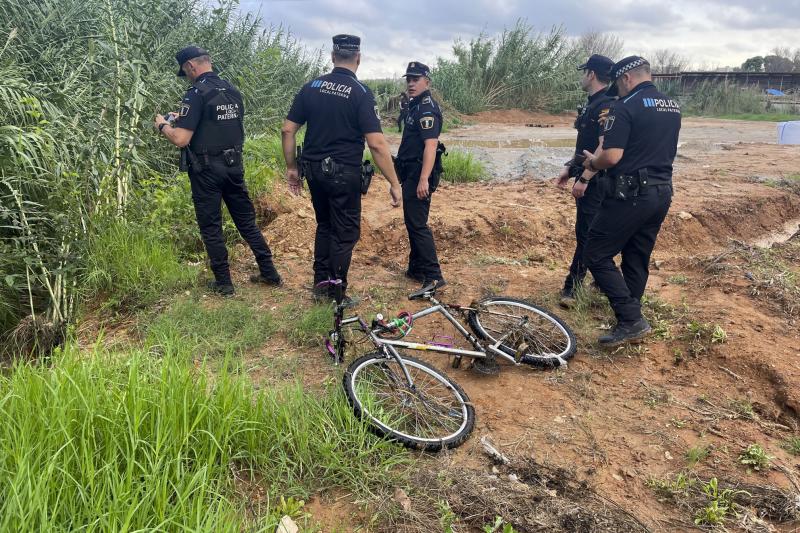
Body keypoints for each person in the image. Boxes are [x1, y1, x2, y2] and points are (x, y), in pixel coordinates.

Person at [281, 34, 402, 302]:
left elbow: (287, 129)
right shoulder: (360, 93)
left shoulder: (310, 87)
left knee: (325, 225)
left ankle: (321, 287)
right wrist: (394, 183)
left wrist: (292, 168)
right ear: (358, 58)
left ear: (333, 56)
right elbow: (377, 144)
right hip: (342, 173)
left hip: (312, 170)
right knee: (345, 233)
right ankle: (335, 293)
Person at [155, 46, 281, 296]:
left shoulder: (195, 94)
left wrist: (162, 126)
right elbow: (219, 124)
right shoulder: (232, 91)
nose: (187, 76)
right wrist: (184, 117)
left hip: (206, 170)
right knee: (247, 222)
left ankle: (224, 284)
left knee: (211, 226)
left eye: (185, 71)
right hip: (234, 166)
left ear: (191, 66)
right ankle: (269, 272)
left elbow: (180, 139)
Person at [580, 56, 681, 347]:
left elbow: (611, 156)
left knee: (595, 253)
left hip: (630, 193)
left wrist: (593, 162)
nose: (617, 90)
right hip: (662, 192)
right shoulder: (672, 106)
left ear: (626, 79)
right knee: (637, 255)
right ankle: (630, 316)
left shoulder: (625, 107)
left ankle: (630, 318)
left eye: (618, 84)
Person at [556, 54, 615, 308]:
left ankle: (573, 287)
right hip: (589, 175)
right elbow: (585, 144)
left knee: (587, 234)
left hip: (597, 180)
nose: (582, 76)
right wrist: (570, 168)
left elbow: (604, 145)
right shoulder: (594, 103)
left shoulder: (606, 105)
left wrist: (584, 178)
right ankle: (600, 281)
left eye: (584, 72)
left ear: (591, 74)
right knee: (596, 230)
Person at [395, 61, 446, 291]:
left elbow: (430, 145)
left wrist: (424, 178)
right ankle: (416, 269)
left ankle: (434, 276)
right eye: (409, 79)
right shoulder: (414, 106)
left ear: (427, 81)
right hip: (411, 172)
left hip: (419, 173)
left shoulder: (427, 108)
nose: (411, 84)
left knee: (418, 224)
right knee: (413, 222)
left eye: (416, 79)